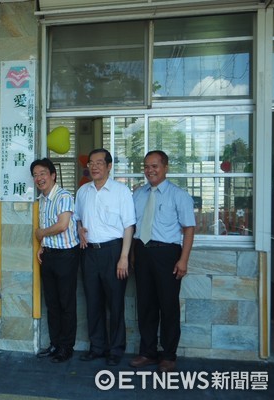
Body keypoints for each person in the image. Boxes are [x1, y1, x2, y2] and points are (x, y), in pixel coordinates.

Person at [129, 150, 195, 373]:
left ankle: (168, 355)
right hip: (142, 252)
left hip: (167, 254)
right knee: (145, 305)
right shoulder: (138, 194)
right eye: (146, 166)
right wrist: (131, 255)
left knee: (168, 305)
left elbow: (188, 229)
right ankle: (147, 352)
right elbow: (133, 227)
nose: (150, 170)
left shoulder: (179, 195)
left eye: (155, 166)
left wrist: (183, 259)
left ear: (165, 167)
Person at [75, 148, 135, 366]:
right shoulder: (83, 191)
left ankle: (116, 349)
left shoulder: (121, 191)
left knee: (115, 302)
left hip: (114, 251)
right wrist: (80, 228)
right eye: (91, 162)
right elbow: (78, 219)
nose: (95, 166)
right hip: (89, 252)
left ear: (109, 166)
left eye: (100, 162)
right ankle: (97, 347)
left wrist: (124, 257)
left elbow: (129, 226)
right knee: (93, 302)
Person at [32, 158, 80, 363]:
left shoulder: (63, 196)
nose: (39, 178)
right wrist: (42, 246)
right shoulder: (41, 199)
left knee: (66, 303)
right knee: (52, 303)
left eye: (43, 173)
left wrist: (40, 233)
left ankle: (66, 347)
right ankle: (55, 343)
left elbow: (62, 225)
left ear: (53, 175)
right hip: (49, 255)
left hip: (66, 256)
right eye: (35, 175)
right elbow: (50, 228)